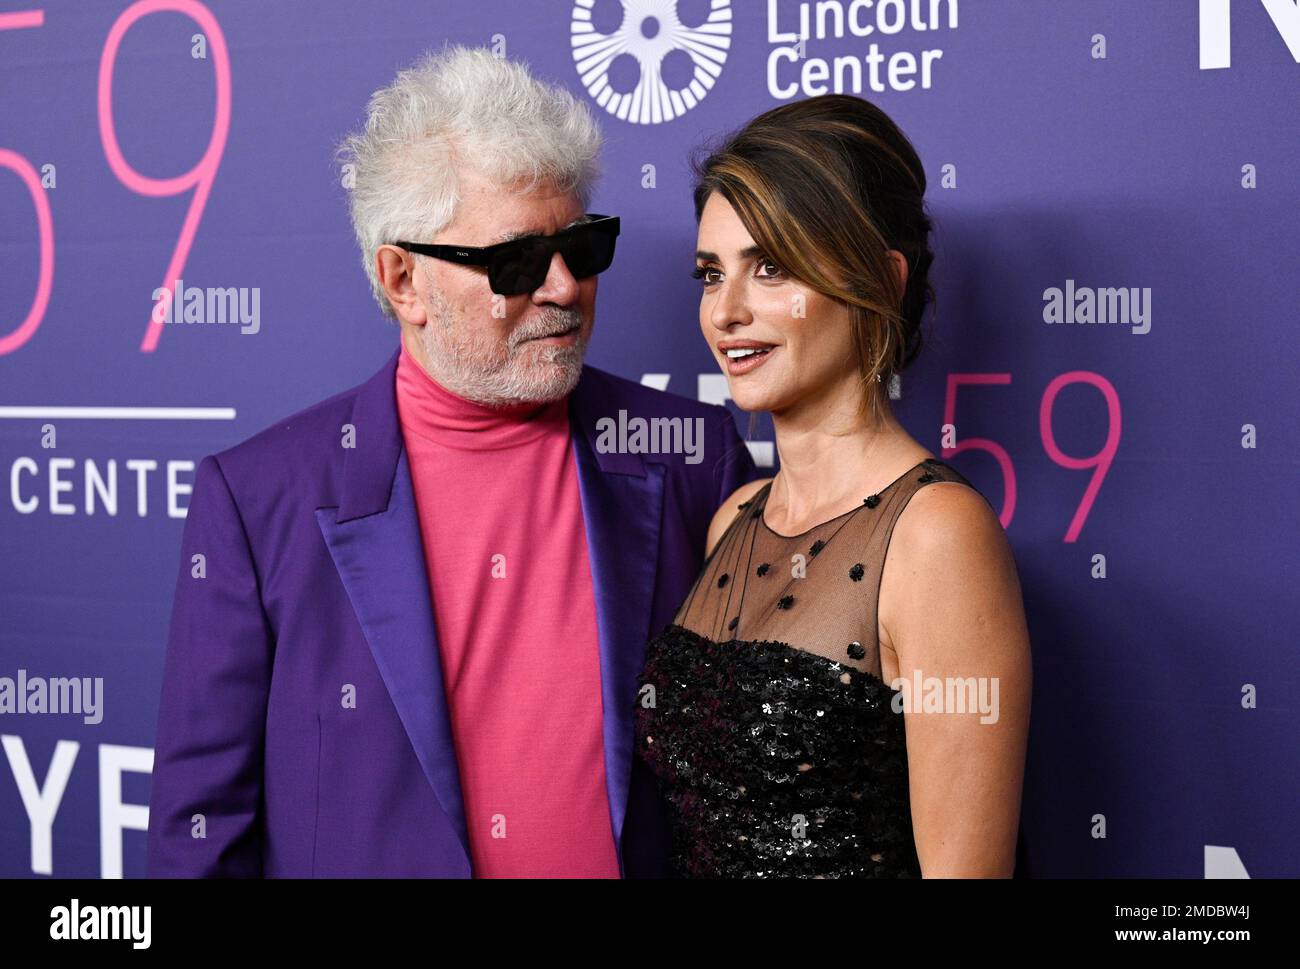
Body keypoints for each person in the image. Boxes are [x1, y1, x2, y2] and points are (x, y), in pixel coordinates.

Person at [146, 45, 759, 878]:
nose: (563, 287)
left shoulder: (693, 454)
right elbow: (200, 833)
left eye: (582, 247)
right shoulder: (258, 501)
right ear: (403, 280)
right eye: (514, 262)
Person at [634, 94, 1032, 877]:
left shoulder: (935, 536)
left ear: (881, 280)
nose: (726, 311)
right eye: (711, 274)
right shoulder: (735, 519)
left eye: (771, 267)